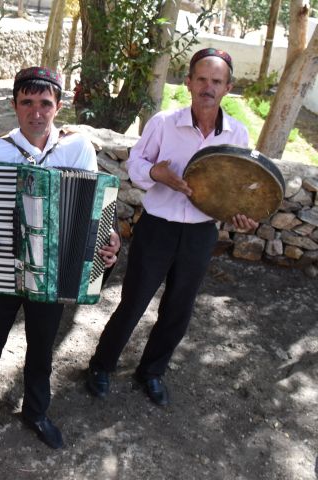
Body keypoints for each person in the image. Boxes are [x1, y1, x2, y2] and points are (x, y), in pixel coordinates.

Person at [0, 66, 121, 449]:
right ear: (15, 105)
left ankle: (37, 412)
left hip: (54, 272)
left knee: (42, 346)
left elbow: (93, 206)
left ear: (58, 106)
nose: (36, 112)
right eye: (27, 102)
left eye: (45, 103)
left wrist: (110, 239)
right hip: (2, 266)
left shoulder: (77, 148)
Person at [85, 48, 259, 407]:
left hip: (200, 233)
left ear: (228, 87)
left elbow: (240, 188)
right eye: (202, 79)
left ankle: (151, 372)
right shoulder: (164, 123)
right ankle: (101, 365)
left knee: (179, 309)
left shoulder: (238, 134)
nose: (208, 87)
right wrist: (155, 173)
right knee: (133, 303)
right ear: (189, 82)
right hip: (157, 228)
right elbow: (136, 165)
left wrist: (240, 214)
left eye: (216, 81)